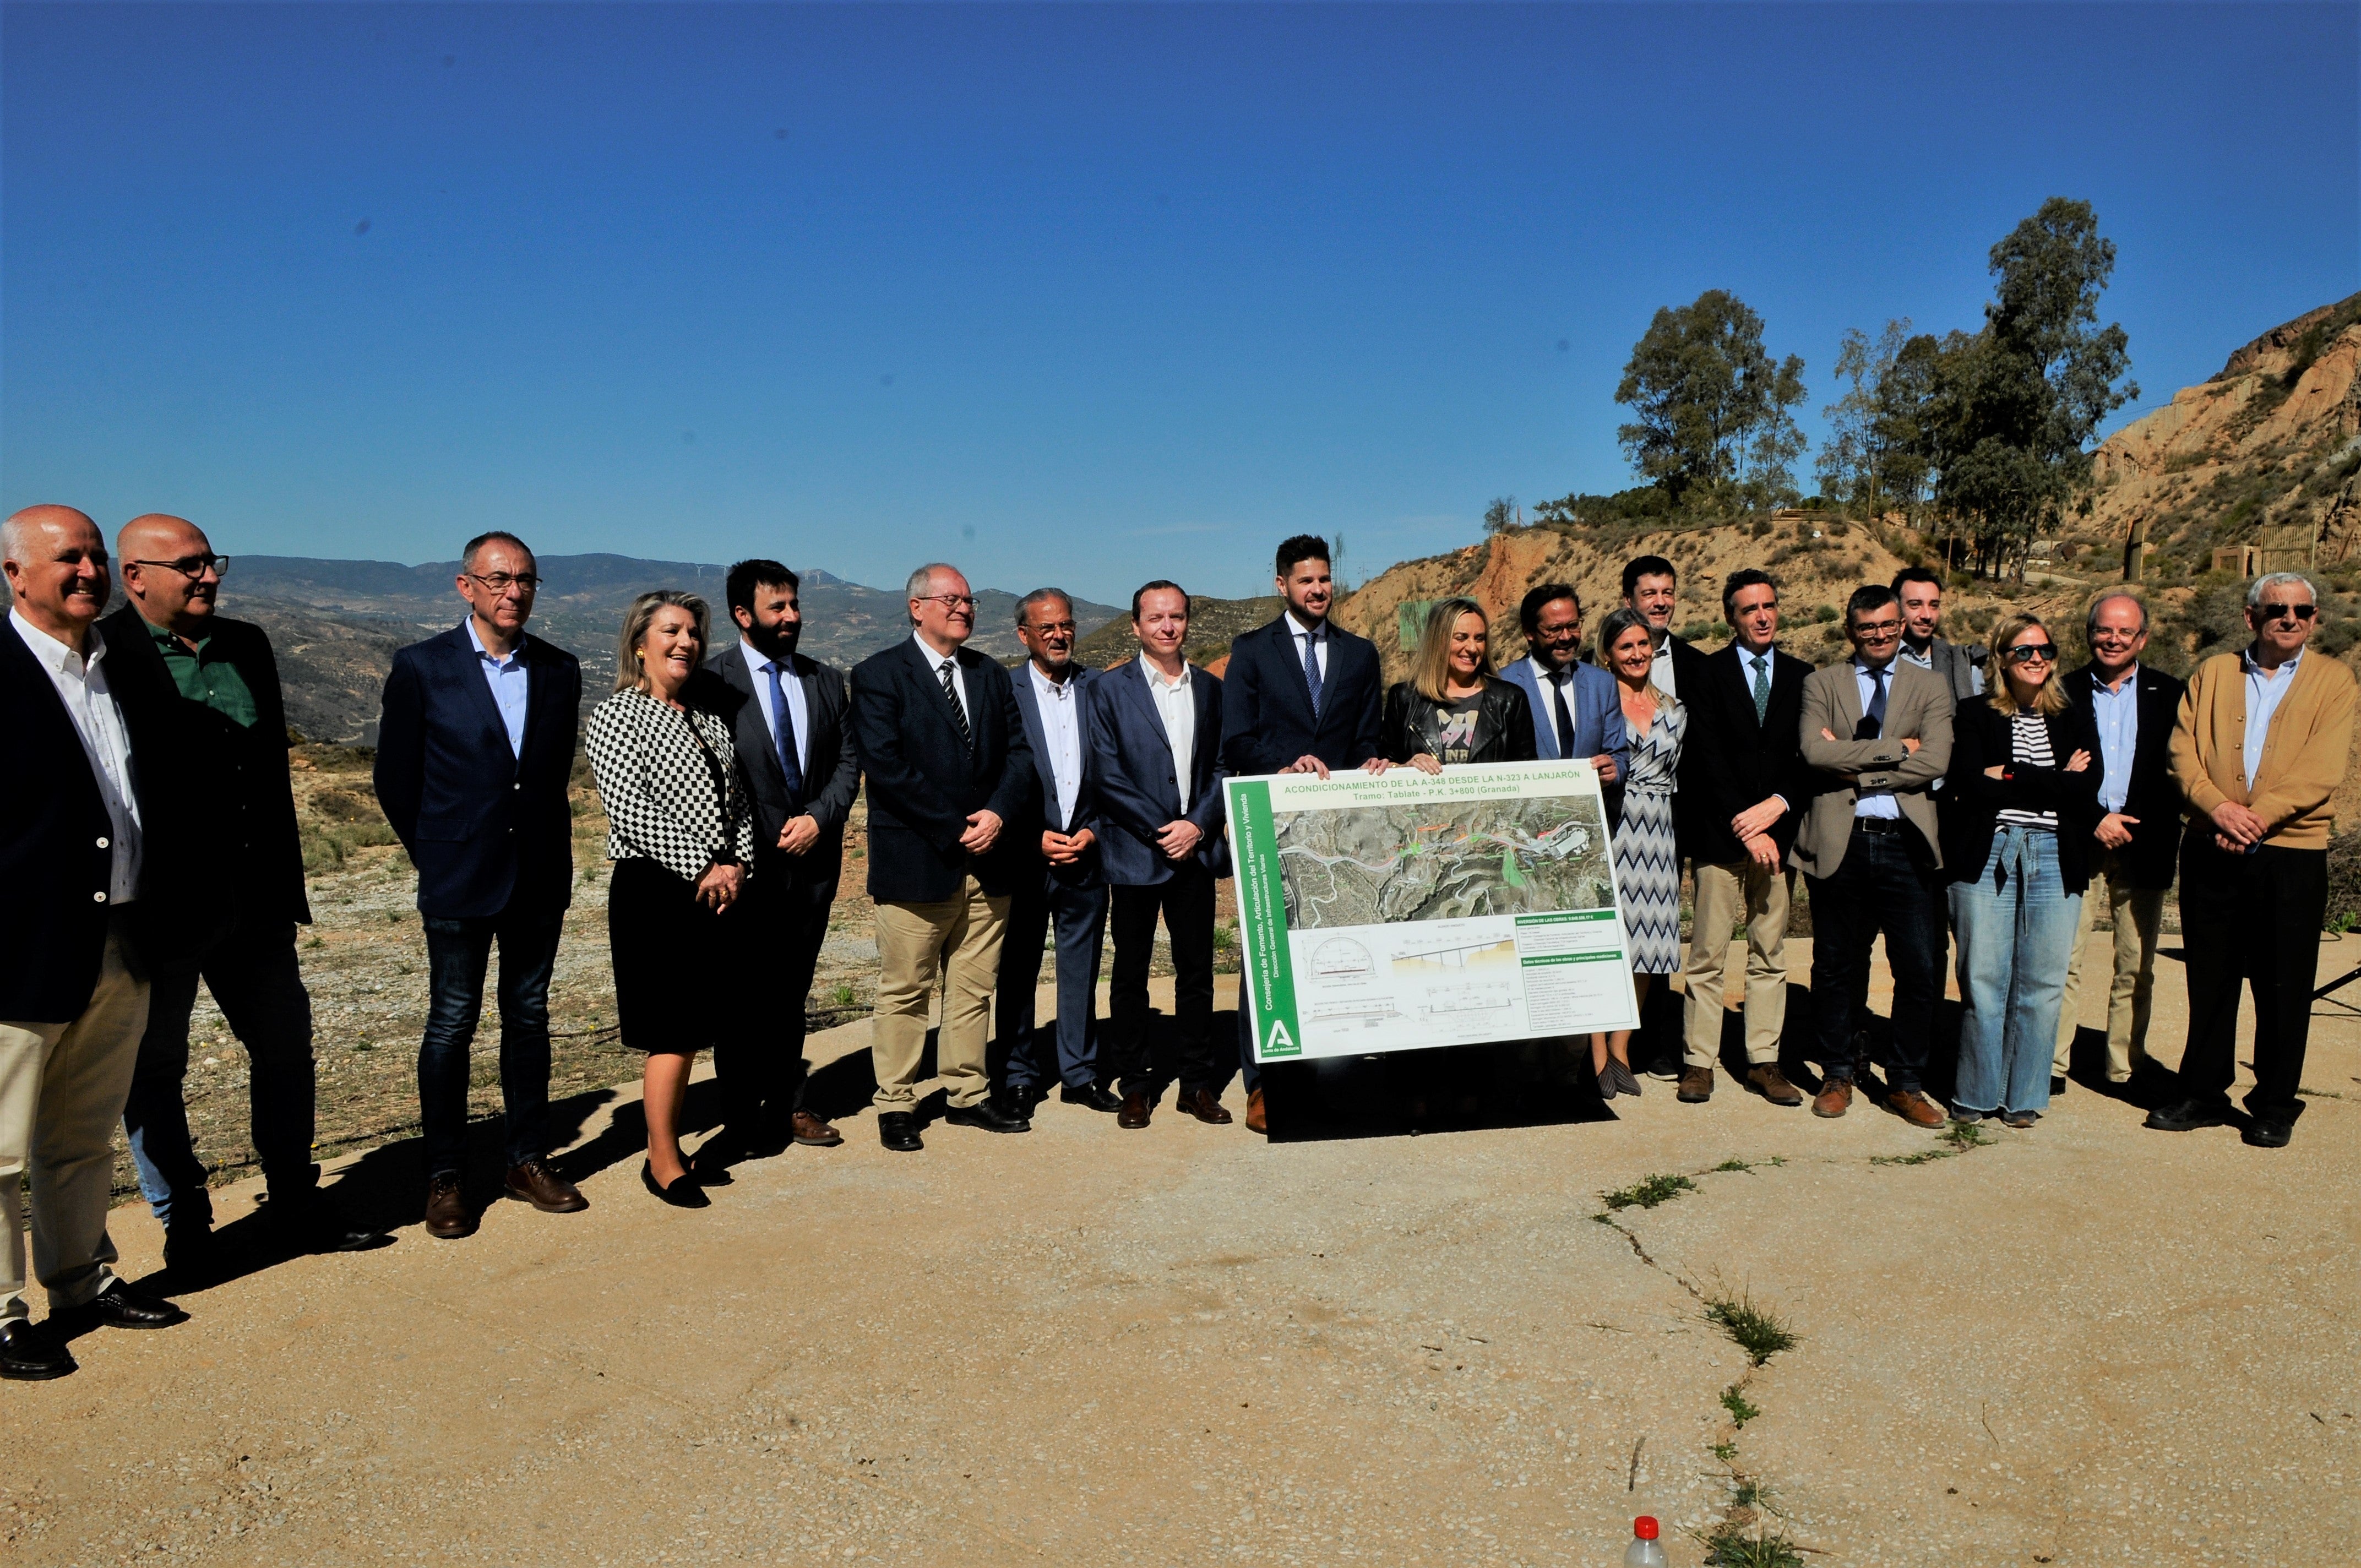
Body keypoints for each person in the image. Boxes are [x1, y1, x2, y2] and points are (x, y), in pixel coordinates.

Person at [102, 514, 383, 1269]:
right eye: (189, 566)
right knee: (156, 1070)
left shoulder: (250, 645)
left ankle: (296, 1199)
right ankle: (184, 1224)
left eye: (211, 561)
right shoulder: (107, 653)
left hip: (258, 900)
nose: (208, 577)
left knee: (287, 1050)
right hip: (165, 907)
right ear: (135, 577)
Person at [2, 505, 187, 1381]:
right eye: (65, 558)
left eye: (93, 556)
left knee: (81, 1134)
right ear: (15, 575)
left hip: (122, 936)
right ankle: (2, 1315)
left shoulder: (121, 669)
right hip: (20, 949)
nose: (86, 571)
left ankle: (79, 1283)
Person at [375, 531, 587, 1239]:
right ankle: (445, 1175)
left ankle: (525, 1160)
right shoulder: (423, 667)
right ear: (465, 586)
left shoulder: (560, 669)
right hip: (458, 875)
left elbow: (547, 778)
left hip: (537, 878)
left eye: (525, 579)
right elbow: (395, 780)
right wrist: (436, 851)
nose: (513, 591)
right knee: (451, 1024)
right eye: (498, 579)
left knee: (528, 1018)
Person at [2149, 572, 2357, 1148]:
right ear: (2250, 617)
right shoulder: (2214, 673)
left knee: (2282, 982)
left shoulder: (2335, 682)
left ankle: (2273, 1103)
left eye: (2301, 611)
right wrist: (2218, 809)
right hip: (2209, 842)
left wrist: (2256, 817)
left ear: (2314, 618)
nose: (2289, 619)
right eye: (2276, 610)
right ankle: (2202, 1091)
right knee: (2210, 976)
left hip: (2289, 852)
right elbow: (2181, 751)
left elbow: (2321, 768)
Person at [848, 563, 1038, 1152]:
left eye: (969, 599)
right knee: (906, 988)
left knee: (972, 987)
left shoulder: (989, 675)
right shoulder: (879, 675)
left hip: (989, 860)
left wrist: (998, 814)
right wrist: (956, 828)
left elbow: (1020, 754)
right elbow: (886, 767)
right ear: (916, 607)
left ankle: (966, 1092)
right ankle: (898, 1103)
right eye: (950, 599)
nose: (963, 608)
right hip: (918, 861)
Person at [586, 592, 759, 1205]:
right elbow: (631, 812)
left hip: (716, 890)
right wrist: (702, 867)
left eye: (692, 632)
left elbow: (736, 805)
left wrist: (737, 865)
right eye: (671, 631)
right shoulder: (614, 715)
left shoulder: (708, 718)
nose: (685, 641)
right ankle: (661, 1159)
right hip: (655, 891)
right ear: (640, 642)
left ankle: (674, 1147)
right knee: (673, 1029)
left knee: (698, 1023)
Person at [1217, 535, 1383, 1134]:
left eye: (1324, 579)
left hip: (1340, 831)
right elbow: (1235, 738)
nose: (1318, 589)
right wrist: (1283, 764)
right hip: (1270, 818)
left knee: (1336, 953)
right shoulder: (1251, 651)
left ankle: (1329, 1076)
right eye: (1305, 580)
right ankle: (1263, 1085)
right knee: (1267, 955)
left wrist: (1373, 762)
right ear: (1281, 584)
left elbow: (1368, 736)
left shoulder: (1359, 654)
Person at [695, 560, 859, 1165]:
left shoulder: (824, 679)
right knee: (740, 995)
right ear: (744, 615)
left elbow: (848, 760)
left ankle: (790, 1104)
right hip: (743, 867)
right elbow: (705, 777)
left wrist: (820, 816)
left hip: (813, 864)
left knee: (793, 988)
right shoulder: (712, 682)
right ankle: (739, 1118)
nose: (792, 617)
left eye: (794, 605)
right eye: (777, 608)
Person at [1792, 585, 1952, 1128]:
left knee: (1917, 969)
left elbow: (1933, 761)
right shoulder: (1821, 682)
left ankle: (1905, 1084)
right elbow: (1815, 753)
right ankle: (1837, 1073)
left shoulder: (1930, 686)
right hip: (1843, 840)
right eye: (1867, 628)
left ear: (1902, 624)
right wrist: (1894, 749)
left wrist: (1856, 763)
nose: (1879, 634)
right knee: (1836, 966)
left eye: (1888, 624)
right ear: (1850, 630)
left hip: (1905, 842)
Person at [1939, 616, 2104, 1129]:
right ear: (2001, 660)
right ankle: (1976, 1093)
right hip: (1988, 853)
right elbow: (1969, 782)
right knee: (1984, 979)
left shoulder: (2075, 715)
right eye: (2023, 651)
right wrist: (2055, 778)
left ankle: (2025, 1095)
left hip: (2056, 854)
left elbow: (2087, 786)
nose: (2037, 660)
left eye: (2045, 651)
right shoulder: (1973, 713)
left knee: (2043, 982)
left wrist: (2009, 772)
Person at [1091, 580, 1231, 1128]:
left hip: (1193, 855)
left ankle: (1195, 1083)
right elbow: (1106, 772)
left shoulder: (1211, 690)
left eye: (1176, 616)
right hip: (1134, 855)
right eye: (1156, 618)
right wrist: (1161, 829)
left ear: (1187, 622)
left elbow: (1222, 766)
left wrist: (1196, 825)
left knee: (1196, 970)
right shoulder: (1108, 690)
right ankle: (1136, 1083)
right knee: (1129, 972)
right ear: (1136, 625)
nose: (1167, 626)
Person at [1672, 569, 1811, 1107]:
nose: (1762, 615)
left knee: (1769, 950)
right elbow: (1706, 758)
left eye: (1769, 605)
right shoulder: (1706, 675)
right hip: (1719, 836)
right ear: (1730, 615)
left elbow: (1808, 755)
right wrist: (1743, 821)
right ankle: (1697, 1063)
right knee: (1707, 952)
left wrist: (1774, 809)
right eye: (1750, 608)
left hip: (1778, 838)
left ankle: (1764, 1061)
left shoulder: (1804, 676)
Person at [2052, 591, 2184, 1090]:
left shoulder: (2171, 693)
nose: (2113, 639)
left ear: (2142, 638)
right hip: (2079, 839)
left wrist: (2131, 820)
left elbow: (2177, 770)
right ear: (2090, 634)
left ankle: (2124, 1068)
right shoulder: (2060, 692)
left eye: (2125, 632)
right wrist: (2094, 819)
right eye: (2104, 630)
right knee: (2063, 960)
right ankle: (2053, 1064)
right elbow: (2050, 769)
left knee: (2136, 963)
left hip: (2144, 842)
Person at [996, 589, 1117, 1117]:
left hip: (1085, 851)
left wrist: (1095, 830)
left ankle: (1080, 1073)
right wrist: (1029, 837)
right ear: (1024, 635)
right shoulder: (1003, 691)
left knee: (1082, 967)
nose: (1059, 635)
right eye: (1046, 628)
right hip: (1026, 855)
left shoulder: (1101, 689)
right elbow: (992, 776)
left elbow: (1117, 770)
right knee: (1018, 969)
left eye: (1066, 625)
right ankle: (1019, 1074)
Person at [1590, 607, 1685, 1099]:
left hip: (1657, 832)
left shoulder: (1674, 707)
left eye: (1643, 645)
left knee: (1648, 947)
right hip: (1611, 822)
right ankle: (1596, 1052)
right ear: (1608, 653)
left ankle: (1622, 1046)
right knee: (1604, 940)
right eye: (1626, 647)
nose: (1636, 654)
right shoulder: (1598, 704)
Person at [1495, 582, 1627, 810]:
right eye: (1554, 629)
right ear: (1529, 632)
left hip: (1589, 820)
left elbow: (1619, 756)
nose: (1566, 637)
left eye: (1573, 626)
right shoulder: (1502, 687)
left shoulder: (1602, 684)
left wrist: (1614, 771)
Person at [1376, 598, 1537, 770]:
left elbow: (1527, 775)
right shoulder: (1404, 698)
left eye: (1480, 638)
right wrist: (1405, 767)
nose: (1473, 648)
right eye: (1461, 638)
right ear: (1438, 641)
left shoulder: (1510, 700)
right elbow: (1385, 765)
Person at [1891, 565, 1985, 706]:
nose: (1927, 616)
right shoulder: (1880, 662)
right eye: (1915, 605)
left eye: (1934, 605)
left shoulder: (1964, 665)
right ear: (1895, 608)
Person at [1620, 554, 1709, 700]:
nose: (1661, 603)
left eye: (1667, 593)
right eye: (1650, 594)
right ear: (1628, 600)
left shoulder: (1698, 665)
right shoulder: (1596, 664)